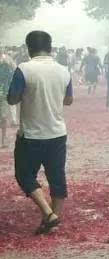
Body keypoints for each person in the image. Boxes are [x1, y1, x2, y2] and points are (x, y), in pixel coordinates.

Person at [7, 31, 73, 232]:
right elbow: (68, 100)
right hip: (57, 132)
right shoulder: (64, 70)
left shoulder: (24, 69)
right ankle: (53, 220)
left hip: (32, 135)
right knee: (56, 176)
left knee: (24, 174)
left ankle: (48, 213)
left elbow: (12, 99)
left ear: (28, 48)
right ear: (50, 47)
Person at [0, 50, 16, 151]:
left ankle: (3, 140)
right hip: (4, 93)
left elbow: (13, 73)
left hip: (3, 94)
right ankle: (3, 140)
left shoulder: (6, 64)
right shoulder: (7, 64)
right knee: (3, 117)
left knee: (3, 117)